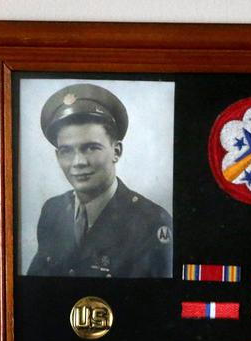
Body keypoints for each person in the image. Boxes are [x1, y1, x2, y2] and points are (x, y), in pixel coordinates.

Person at [27, 83, 173, 278]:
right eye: (67, 151)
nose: (78, 162)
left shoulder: (152, 222)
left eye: (91, 148)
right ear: (57, 156)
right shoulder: (53, 210)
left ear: (116, 151)